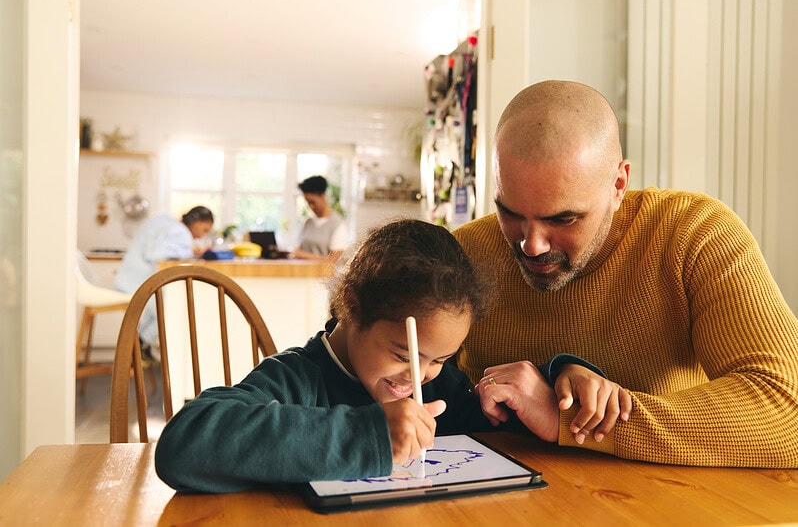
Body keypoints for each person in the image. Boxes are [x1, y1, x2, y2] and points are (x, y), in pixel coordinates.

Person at [455, 80, 798, 468]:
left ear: (619, 184)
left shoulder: (695, 235)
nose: (531, 245)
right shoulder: (463, 254)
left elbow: (787, 410)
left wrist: (573, 421)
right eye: (510, 213)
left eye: (564, 218)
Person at [154, 219, 630, 493]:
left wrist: (564, 377)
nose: (418, 377)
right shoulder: (298, 378)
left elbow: (508, 428)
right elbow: (183, 446)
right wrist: (370, 434)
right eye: (404, 352)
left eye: (439, 359)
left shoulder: (437, 389)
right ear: (351, 308)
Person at [115, 206, 214, 347]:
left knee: (160, 312)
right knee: (168, 312)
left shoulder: (167, 222)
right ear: (196, 221)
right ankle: (137, 349)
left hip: (128, 278)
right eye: (205, 230)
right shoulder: (181, 232)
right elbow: (155, 253)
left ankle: (138, 348)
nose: (203, 236)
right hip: (136, 282)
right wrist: (187, 253)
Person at [292, 175, 348, 261]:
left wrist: (304, 255)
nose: (310, 206)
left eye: (312, 202)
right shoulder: (308, 222)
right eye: (307, 202)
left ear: (323, 195)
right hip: (304, 273)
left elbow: (334, 260)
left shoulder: (338, 224)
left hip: (323, 274)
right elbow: (297, 250)